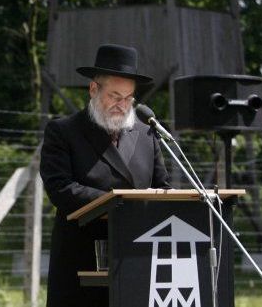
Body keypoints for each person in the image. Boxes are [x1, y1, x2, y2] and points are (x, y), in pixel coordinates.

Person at [40, 43, 171, 306]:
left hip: (137, 261)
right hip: (81, 264)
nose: (121, 105)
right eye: (114, 96)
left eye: (128, 98)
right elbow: (61, 189)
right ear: (93, 89)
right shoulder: (64, 132)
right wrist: (119, 205)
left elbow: (162, 189)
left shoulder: (148, 135)